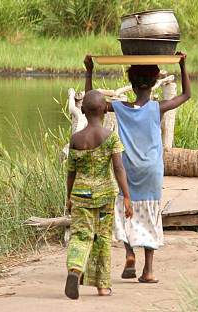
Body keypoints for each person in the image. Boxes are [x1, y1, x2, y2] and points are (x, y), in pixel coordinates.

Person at [83, 52, 191, 283]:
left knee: (125, 209)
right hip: (152, 170)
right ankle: (148, 270)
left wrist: (89, 71)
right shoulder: (157, 107)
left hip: (127, 168)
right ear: (154, 84)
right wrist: (183, 66)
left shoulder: (121, 108)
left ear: (131, 84)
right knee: (150, 213)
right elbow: (186, 94)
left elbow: (92, 104)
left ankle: (130, 253)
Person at [64, 90, 133, 299]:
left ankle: (75, 270)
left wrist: (69, 197)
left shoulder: (76, 138)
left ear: (82, 110)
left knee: (80, 235)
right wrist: (127, 196)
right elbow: (119, 168)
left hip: (80, 195)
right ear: (105, 110)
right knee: (103, 238)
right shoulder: (111, 138)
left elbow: (71, 172)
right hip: (105, 196)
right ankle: (102, 287)